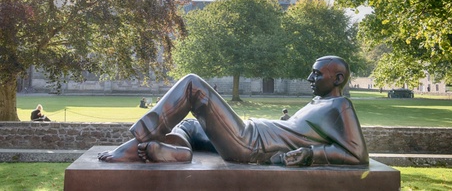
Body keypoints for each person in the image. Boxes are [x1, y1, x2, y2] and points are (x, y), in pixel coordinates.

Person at [98, 56, 369, 167]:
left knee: (194, 86)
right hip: (251, 133)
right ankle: (178, 150)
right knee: (190, 126)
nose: (310, 78)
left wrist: (311, 154)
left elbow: (358, 155)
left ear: (337, 79)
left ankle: (138, 143)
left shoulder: (340, 106)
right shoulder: (319, 103)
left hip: (249, 143)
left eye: (316, 74)